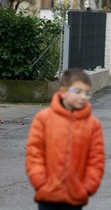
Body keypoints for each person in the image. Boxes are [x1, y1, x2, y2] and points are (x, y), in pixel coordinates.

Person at [25, 68, 105, 210]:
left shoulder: (92, 125)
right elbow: (34, 153)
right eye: (78, 91)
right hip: (47, 194)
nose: (83, 97)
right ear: (63, 92)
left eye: (87, 93)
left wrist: (86, 188)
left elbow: (96, 159)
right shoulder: (43, 118)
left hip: (75, 196)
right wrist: (40, 182)